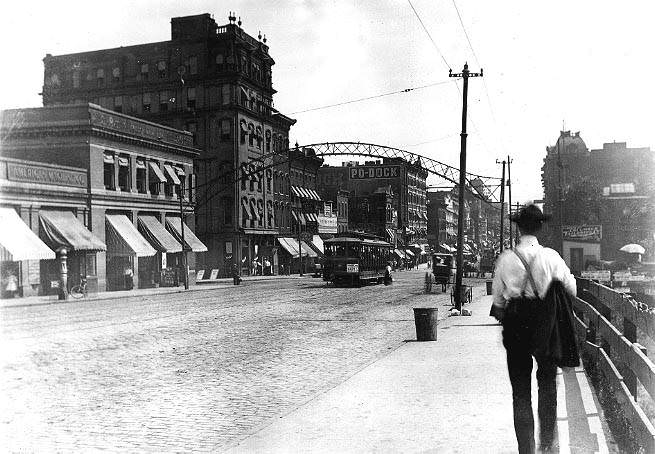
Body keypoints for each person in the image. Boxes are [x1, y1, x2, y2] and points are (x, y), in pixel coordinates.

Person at [490, 204, 576, 453]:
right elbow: (572, 288)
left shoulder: (506, 259)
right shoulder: (551, 257)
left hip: (516, 325)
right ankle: (547, 445)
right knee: (547, 384)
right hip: (546, 325)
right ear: (540, 227)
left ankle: (525, 449)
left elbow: (497, 300)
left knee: (520, 392)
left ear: (519, 228)